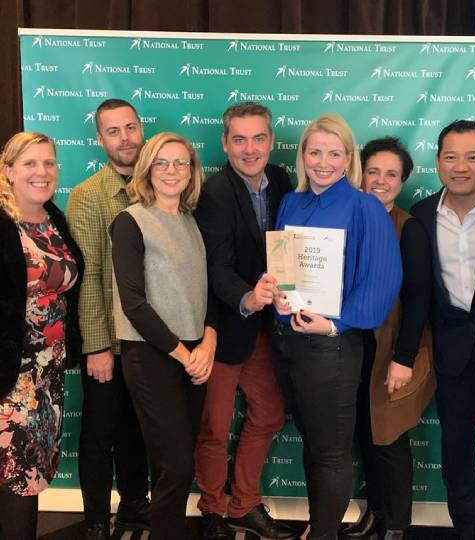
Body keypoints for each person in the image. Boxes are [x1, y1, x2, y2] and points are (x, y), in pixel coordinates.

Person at [271, 113, 402, 540]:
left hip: (332, 347)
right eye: (314, 152)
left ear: (349, 158)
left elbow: (382, 283)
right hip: (290, 342)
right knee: (314, 443)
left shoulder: (365, 206)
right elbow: (285, 269)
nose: (322, 162)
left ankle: (324, 533)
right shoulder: (292, 202)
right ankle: (319, 525)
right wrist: (278, 296)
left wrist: (334, 323)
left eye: (333, 153)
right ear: (302, 155)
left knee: (330, 453)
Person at [409, 120, 475, 539]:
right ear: (437, 162)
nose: (461, 166)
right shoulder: (420, 215)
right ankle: (468, 529)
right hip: (453, 348)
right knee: (457, 447)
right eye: (451, 157)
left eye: (472, 157)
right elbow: (420, 292)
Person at [193, 102, 294, 540]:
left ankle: (244, 503)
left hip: (271, 329)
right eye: (239, 139)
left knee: (270, 414)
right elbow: (215, 267)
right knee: (214, 425)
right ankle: (212, 508)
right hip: (223, 327)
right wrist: (248, 298)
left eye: (258, 138)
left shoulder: (284, 182)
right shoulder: (214, 193)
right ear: (225, 143)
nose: (249, 149)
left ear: (271, 141)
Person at [110, 131, 216, 540]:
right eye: (162, 163)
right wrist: (182, 354)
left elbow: (207, 294)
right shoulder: (131, 222)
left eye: (181, 163)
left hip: (192, 355)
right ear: (147, 169)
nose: (172, 171)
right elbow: (134, 304)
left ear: (191, 173)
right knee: (176, 467)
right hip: (152, 356)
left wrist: (207, 344)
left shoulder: (190, 221)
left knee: (175, 463)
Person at [342, 138, 435, 540]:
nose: (380, 180)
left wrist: (404, 358)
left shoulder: (407, 228)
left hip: (390, 351)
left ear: (402, 182)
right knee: (365, 434)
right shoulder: (344, 218)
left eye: (391, 174)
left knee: (390, 437)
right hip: (349, 349)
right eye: (373, 171)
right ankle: (376, 514)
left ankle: (396, 526)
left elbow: (418, 300)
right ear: (360, 174)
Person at [67, 99, 150, 540]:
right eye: (113, 131)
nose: (125, 138)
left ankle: (137, 506)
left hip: (151, 339)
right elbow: (90, 276)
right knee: (100, 432)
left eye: (130, 127)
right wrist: (98, 345)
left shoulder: (161, 184)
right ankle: (96, 518)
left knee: (138, 428)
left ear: (142, 129)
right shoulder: (88, 196)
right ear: (100, 140)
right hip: (110, 340)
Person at [0, 131, 83, 539]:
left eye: (48, 163)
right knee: (16, 475)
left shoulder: (54, 219)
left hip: (47, 374)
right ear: (8, 170)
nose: (41, 171)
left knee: (31, 472)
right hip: (10, 378)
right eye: (30, 163)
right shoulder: (3, 224)